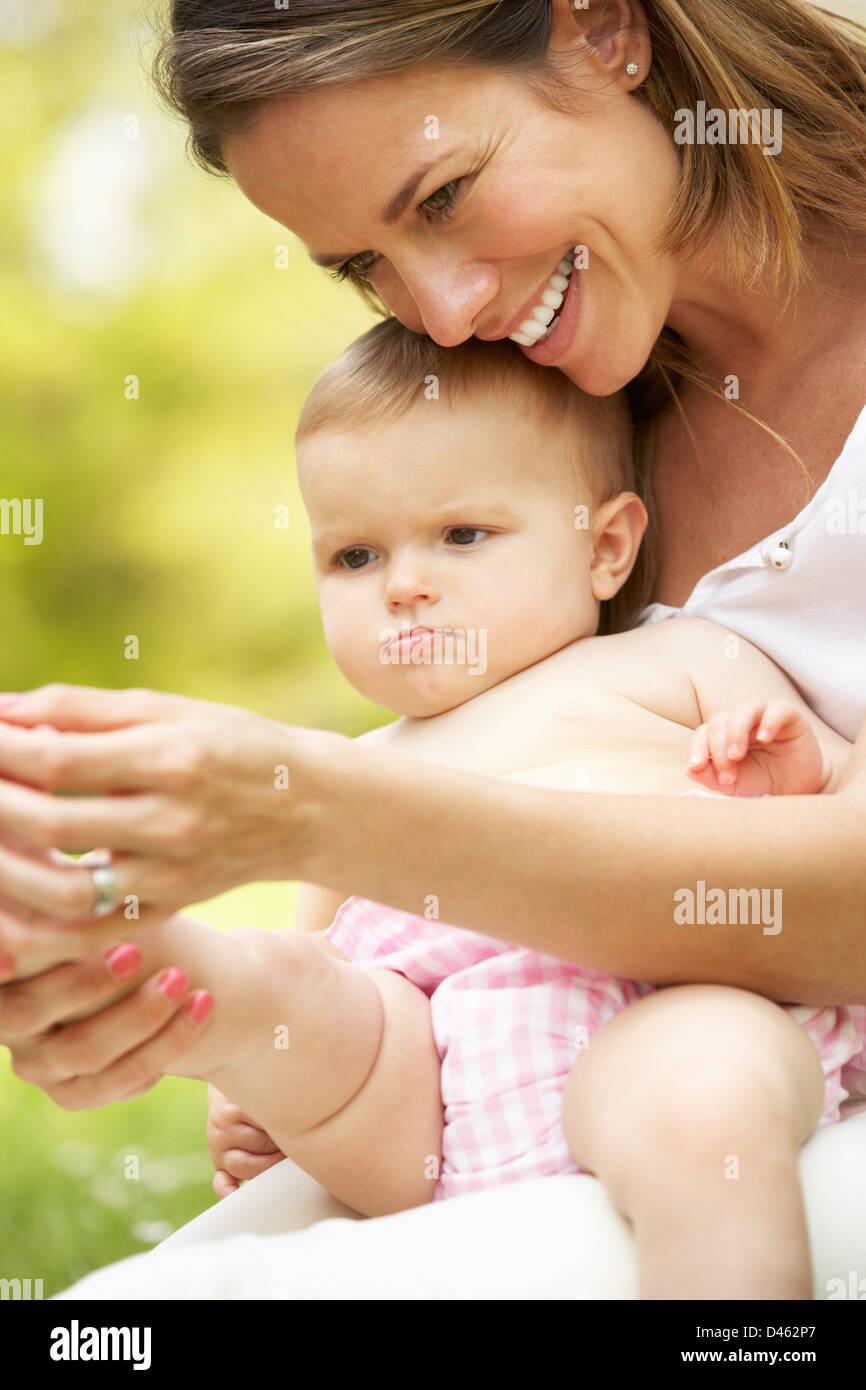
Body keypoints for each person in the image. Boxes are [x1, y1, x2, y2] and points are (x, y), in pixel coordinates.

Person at [0, 0, 865, 1295]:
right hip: (480, 1093)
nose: (445, 312)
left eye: (446, 195)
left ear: (602, 30)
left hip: (728, 1076)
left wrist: (306, 805)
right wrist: (259, 1045)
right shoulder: (550, 424)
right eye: (363, 265)